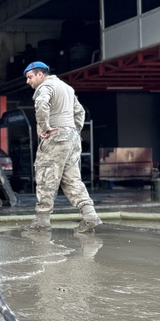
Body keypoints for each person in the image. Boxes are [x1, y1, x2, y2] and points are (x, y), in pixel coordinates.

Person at [21, 61, 102, 234]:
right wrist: (74, 131)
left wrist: (44, 128)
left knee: (46, 176)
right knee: (72, 179)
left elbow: (41, 105)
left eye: (30, 77)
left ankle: (41, 221)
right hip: (72, 138)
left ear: (40, 74)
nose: (28, 81)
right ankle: (90, 216)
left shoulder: (45, 87)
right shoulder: (67, 88)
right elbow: (80, 112)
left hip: (56, 137)